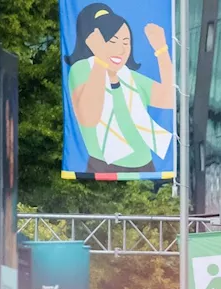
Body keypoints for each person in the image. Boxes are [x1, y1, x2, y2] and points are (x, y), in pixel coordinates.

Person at [65, 3, 175, 173]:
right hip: (102, 166)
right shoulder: (82, 69)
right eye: (112, 41)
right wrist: (100, 60)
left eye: (126, 42)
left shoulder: (129, 77)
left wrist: (161, 50)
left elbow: (170, 99)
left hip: (145, 167)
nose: (121, 49)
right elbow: (89, 117)